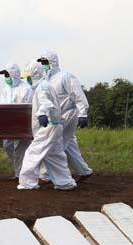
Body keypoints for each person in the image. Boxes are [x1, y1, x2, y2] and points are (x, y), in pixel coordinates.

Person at [17, 60, 76, 191]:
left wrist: (42, 114)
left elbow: (46, 103)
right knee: (55, 155)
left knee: (32, 153)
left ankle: (27, 182)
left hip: (47, 128)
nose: (27, 81)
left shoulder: (42, 87)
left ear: (34, 75)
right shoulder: (45, 85)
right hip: (54, 126)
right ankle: (64, 183)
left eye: (28, 78)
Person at [37, 51, 93, 181]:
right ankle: (84, 171)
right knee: (68, 145)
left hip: (68, 115)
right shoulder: (46, 80)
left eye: (45, 62)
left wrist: (83, 114)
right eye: (42, 63)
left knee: (54, 145)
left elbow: (78, 96)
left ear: (53, 62)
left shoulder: (65, 77)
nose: (44, 65)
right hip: (56, 117)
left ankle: (47, 175)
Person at [0, 63, 33, 178]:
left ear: (14, 74)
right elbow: (2, 105)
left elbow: (30, 106)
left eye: (7, 75)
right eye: (5, 75)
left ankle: (21, 174)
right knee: (7, 145)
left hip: (23, 123)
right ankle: (21, 170)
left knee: (21, 149)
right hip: (9, 124)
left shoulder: (26, 88)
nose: (6, 78)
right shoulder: (6, 89)